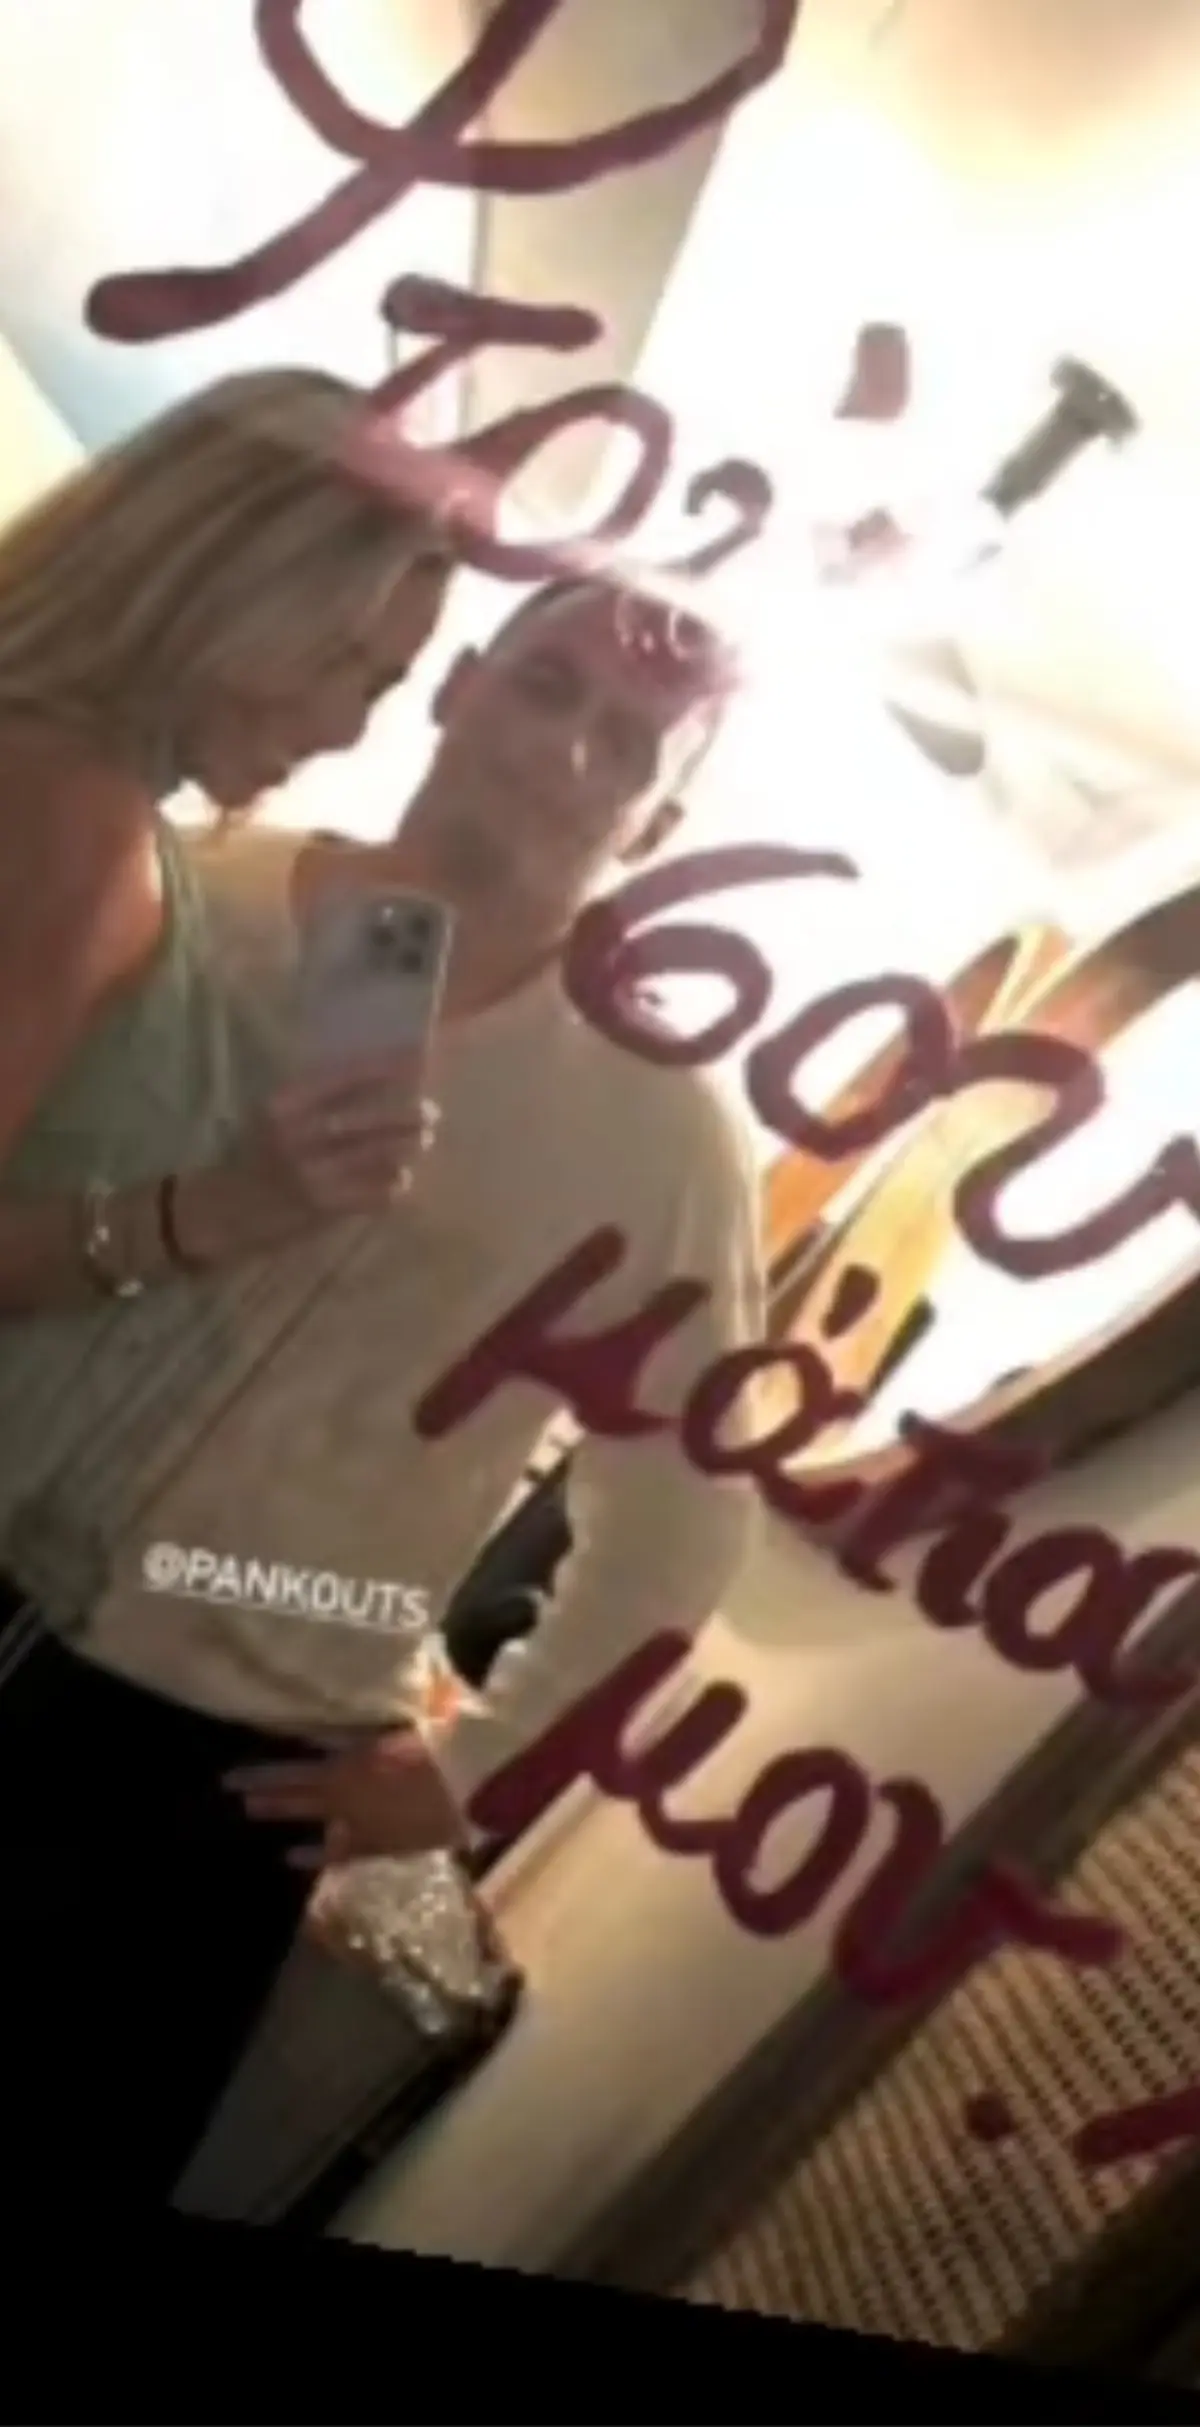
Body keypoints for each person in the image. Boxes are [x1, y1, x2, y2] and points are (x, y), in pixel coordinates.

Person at [103, 569, 766, 1887]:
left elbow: (686, 1512)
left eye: (628, 743)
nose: (564, 750)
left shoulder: (661, 1129)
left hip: (227, 1749)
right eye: (547, 685)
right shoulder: (197, 891)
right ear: (459, 687)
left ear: (660, 822)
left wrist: (482, 1769)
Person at [0, 367, 464, 2220]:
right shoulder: (67, 805)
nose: (350, 727)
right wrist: (210, 1212)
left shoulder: (97, 792)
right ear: (243, 584)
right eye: (354, 664)